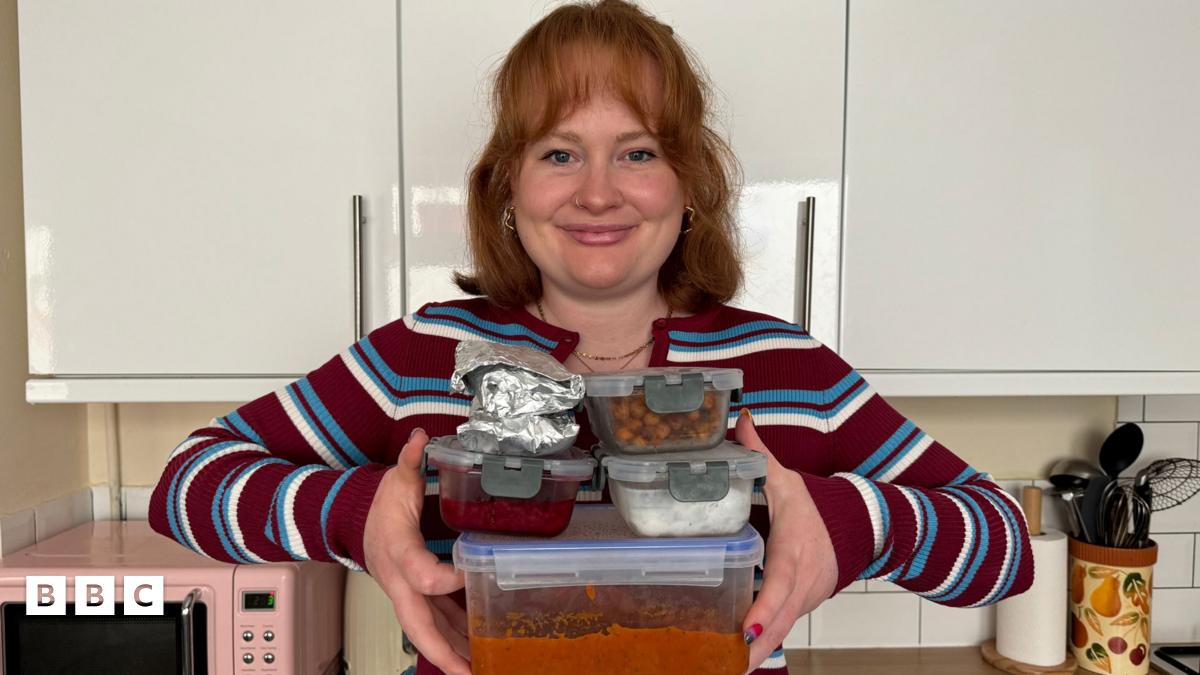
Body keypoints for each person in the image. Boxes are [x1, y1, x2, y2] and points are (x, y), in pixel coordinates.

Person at [148, 2, 1034, 674]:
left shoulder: (783, 369)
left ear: (691, 186)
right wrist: (359, 517)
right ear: (508, 186)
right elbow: (188, 482)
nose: (599, 193)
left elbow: (1004, 544)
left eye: (640, 152)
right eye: (560, 153)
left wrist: (853, 524)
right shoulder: (420, 357)